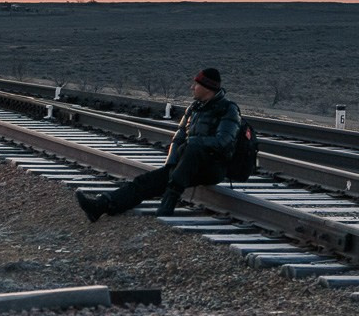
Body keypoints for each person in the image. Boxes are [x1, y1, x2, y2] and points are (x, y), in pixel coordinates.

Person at [76, 67, 241, 220]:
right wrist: (171, 164)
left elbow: (224, 141)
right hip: (186, 166)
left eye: (196, 84)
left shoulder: (228, 109)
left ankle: (167, 205)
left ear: (207, 87)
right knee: (145, 182)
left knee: (192, 148)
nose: (192, 87)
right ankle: (101, 206)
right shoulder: (195, 108)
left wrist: (192, 143)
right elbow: (179, 136)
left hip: (212, 167)